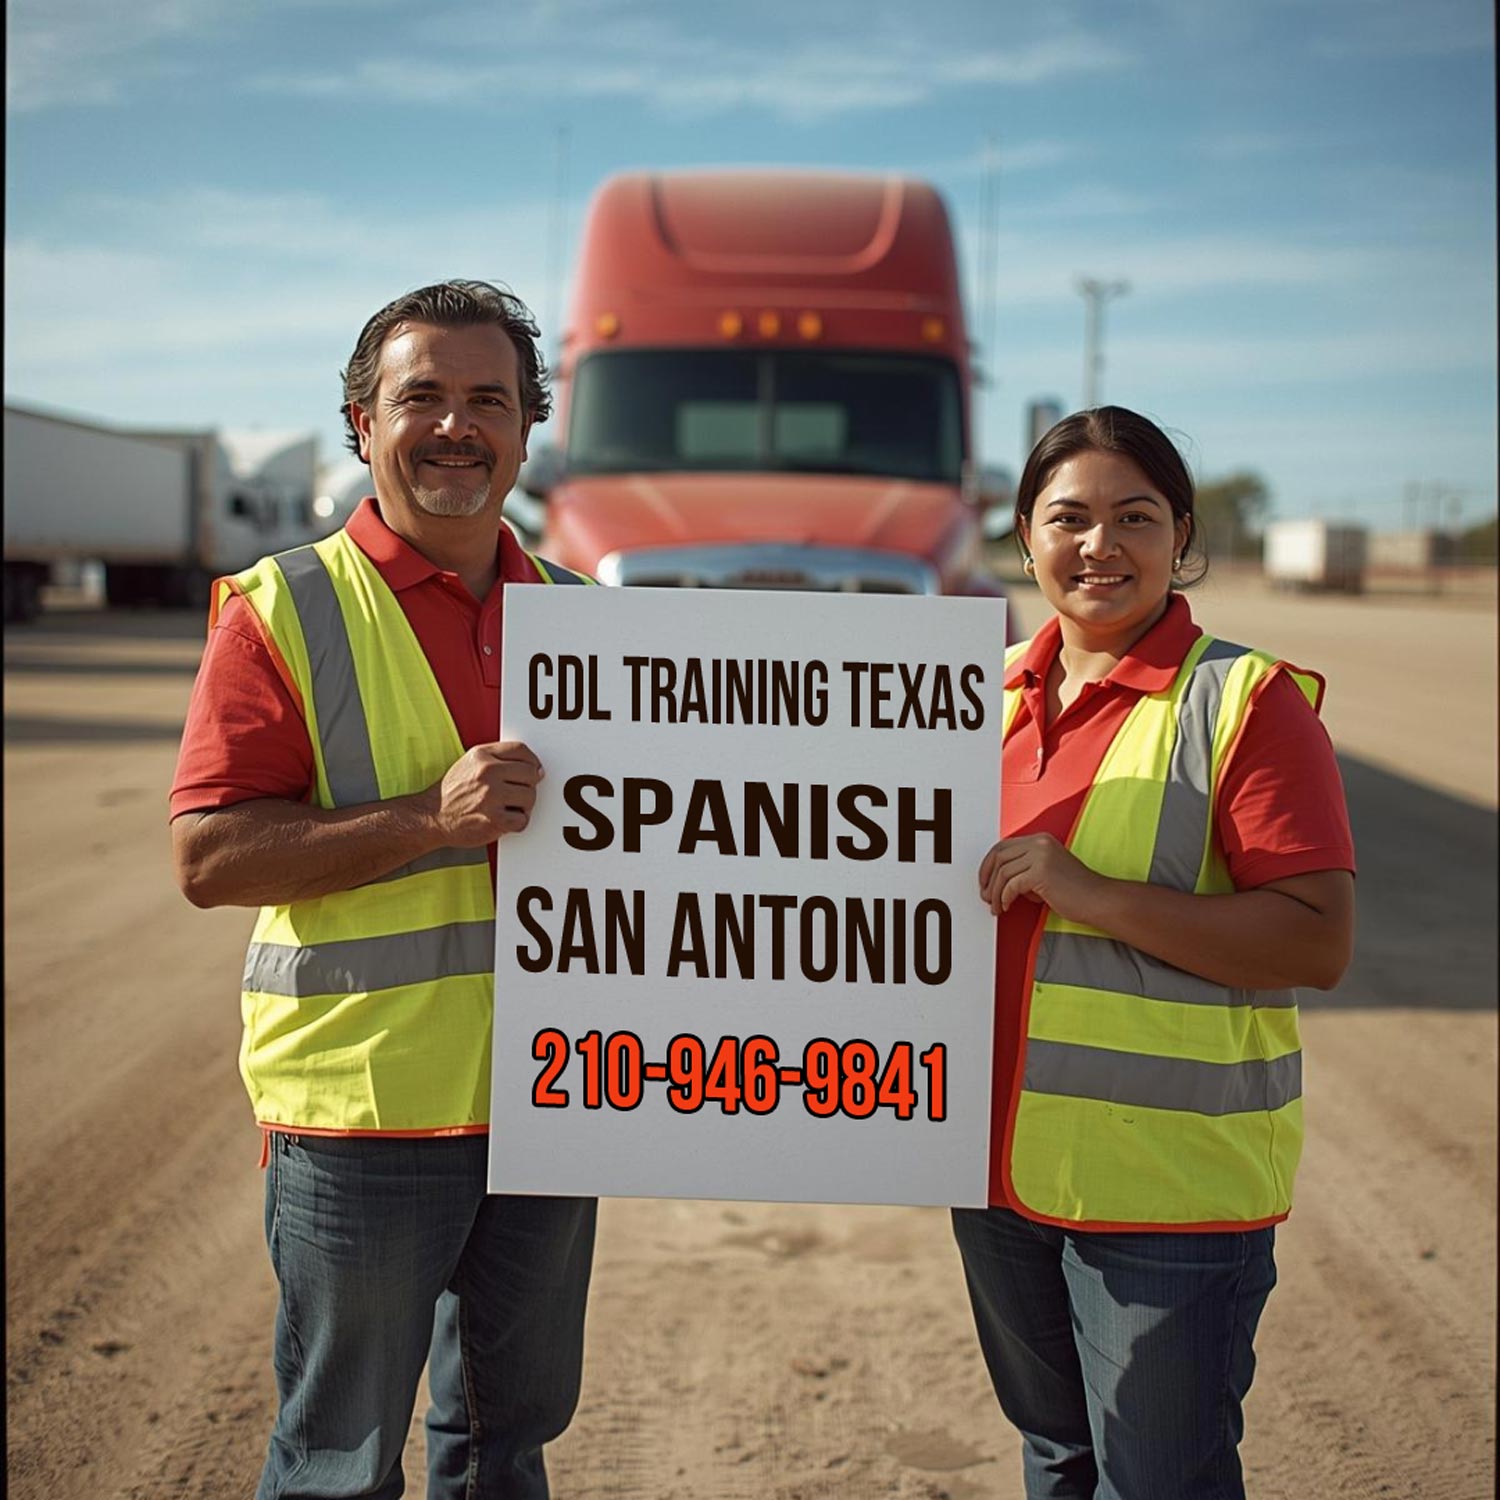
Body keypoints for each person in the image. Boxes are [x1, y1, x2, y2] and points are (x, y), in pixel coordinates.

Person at [171, 280, 598, 1500]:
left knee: (506, 1448)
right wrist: (427, 820)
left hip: (556, 1101)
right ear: (364, 422)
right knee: (337, 1455)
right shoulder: (282, 609)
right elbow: (208, 858)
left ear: (527, 433)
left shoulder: (592, 623)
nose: (455, 427)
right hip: (364, 1111)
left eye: (488, 401)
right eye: (422, 397)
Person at [952, 406, 1356, 1500]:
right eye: (1067, 517)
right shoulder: (972, 701)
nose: (1099, 546)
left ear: (1181, 535)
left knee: (1158, 1482)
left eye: (1134, 517)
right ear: (1023, 537)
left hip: (1165, 1197)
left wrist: (1089, 895)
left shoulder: (1245, 701)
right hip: (991, 1176)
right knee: (1059, 1458)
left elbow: (1318, 940)